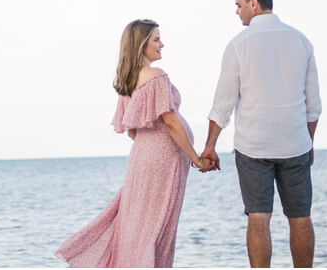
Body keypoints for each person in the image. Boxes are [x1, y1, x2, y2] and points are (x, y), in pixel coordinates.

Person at [56, 19, 213, 268]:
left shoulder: (128, 81)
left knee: (138, 226)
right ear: (142, 45)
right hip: (163, 162)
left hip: (142, 159)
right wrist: (196, 159)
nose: (162, 44)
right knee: (158, 227)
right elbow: (171, 121)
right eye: (156, 39)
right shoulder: (156, 77)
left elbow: (132, 131)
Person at [199, 0, 321, 268]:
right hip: (295, 144)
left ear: (254, 4)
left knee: (258, 216)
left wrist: (209, 147)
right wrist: (309, 143)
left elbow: (223, 104)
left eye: (239, 5)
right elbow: (313, 106)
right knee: (300, 216)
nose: (237, 11)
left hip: (253, 148)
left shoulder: (239, 44)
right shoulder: (301, 41)